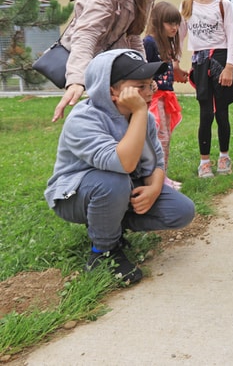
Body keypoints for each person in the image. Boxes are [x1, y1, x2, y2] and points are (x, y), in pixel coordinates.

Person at [44, 49, 196, 284]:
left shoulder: (144, 117)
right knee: (113, 182)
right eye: (139, 86)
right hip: (74, 195)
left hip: (119, 188)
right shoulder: (83, 119)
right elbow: (123, 163)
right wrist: (138, 112)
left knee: (182, 210)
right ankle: (103, 252)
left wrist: (154, 189)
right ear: (112, 90)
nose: (148, 92)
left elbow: (156, 162)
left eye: (149, 85)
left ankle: (107, 223)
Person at [52, 0, 172, 123]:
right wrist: (76, 79)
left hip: (115, 60)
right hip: (92, 61)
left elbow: (133, 34)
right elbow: (87, 31)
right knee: (106, 123)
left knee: (129, 118)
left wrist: (143, 74)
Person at [179, 0, 233, 178]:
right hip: (200, 63)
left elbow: (232, 36)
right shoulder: (186, 6)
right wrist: (176, 63)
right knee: (205, 114)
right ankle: (204, 161)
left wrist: (229, 67)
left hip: (221, 61)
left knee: (222, 113)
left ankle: (224, 157)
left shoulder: (224, 4)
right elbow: (180, 37)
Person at [143, 2, 187, 189]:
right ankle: (156, 179)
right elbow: (144, 68)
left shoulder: (167, 42)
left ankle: (163, 176)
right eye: (169, 23)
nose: (174, 28)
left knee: (166, 137)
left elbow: (184, 28)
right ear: (157, 22)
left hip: (166, 96)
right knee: (159, 139)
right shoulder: (149, 43)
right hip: (155, 97)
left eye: (176, 23)